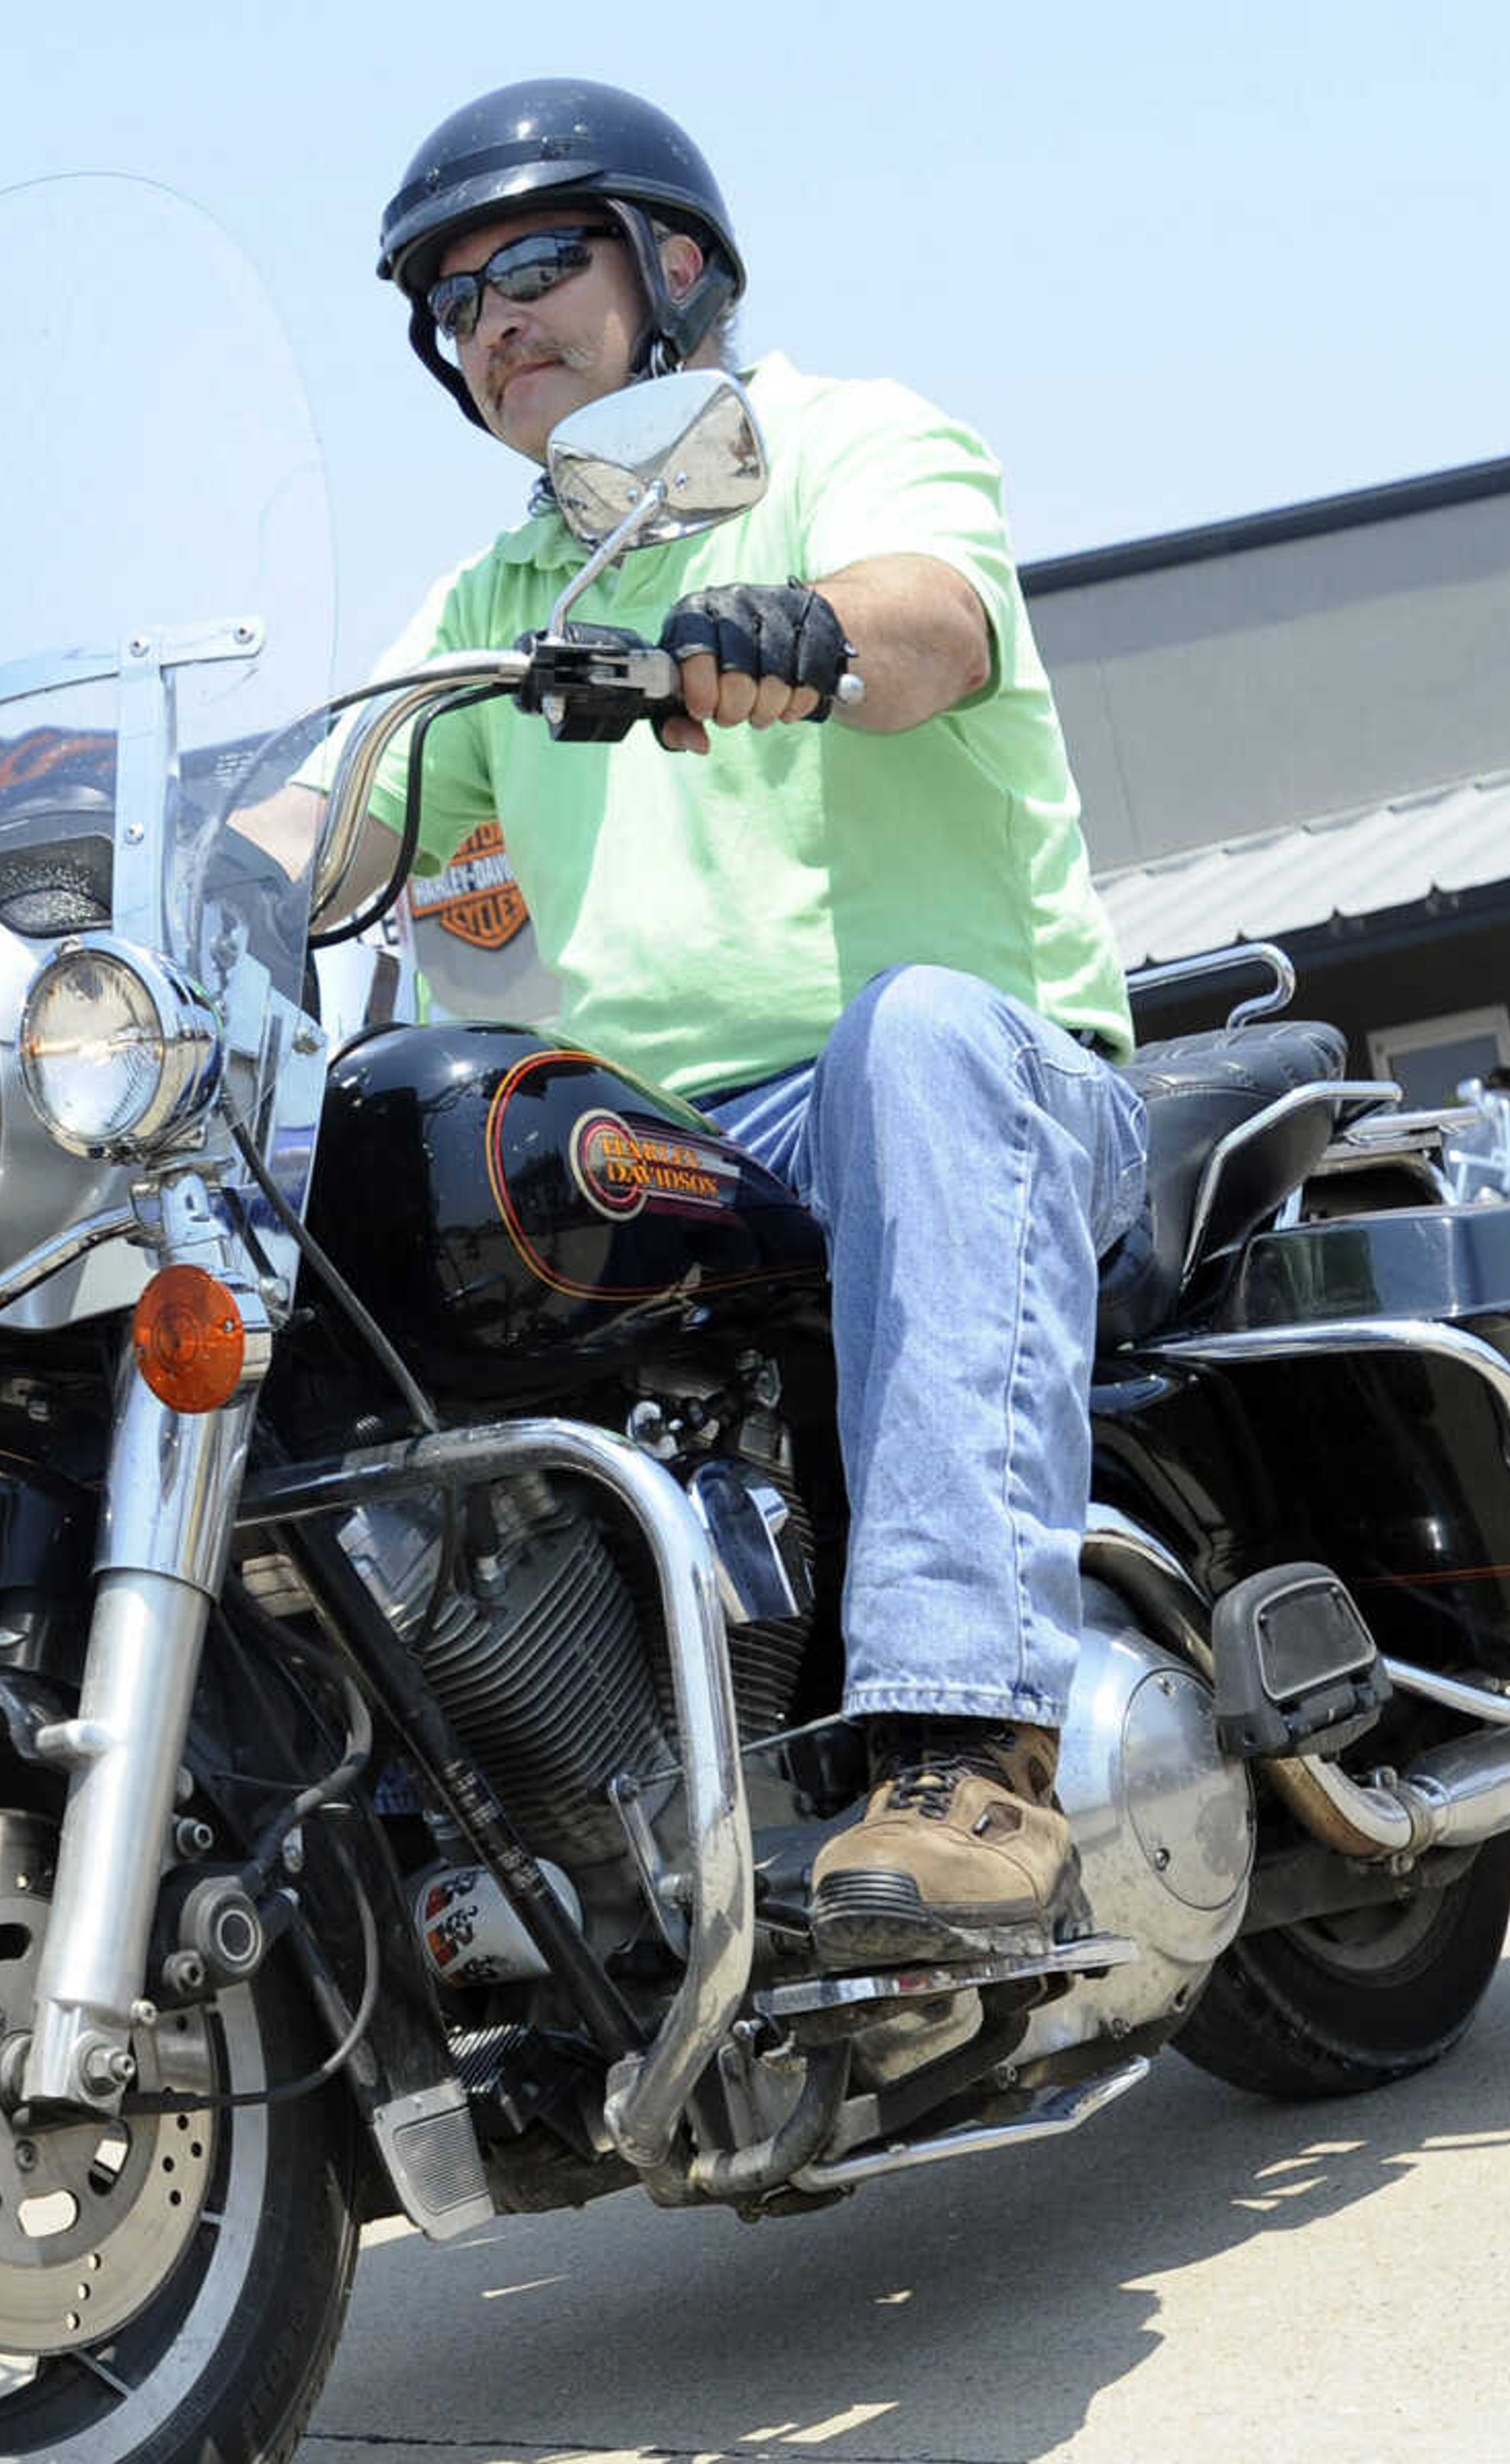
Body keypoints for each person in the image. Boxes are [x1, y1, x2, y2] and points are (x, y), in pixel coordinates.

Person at [348, 82, 1145, 1961]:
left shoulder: (842, 440)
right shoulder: (496, 593)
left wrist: (807, 630)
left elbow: (927, 615)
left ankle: (969, 1751)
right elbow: (334, 810)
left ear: (674, 263)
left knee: (913, 1036)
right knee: (388, 1150)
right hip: (683, 1144)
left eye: (535, 266)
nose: (495, 323)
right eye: (454, 305)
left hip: (974, 1089)